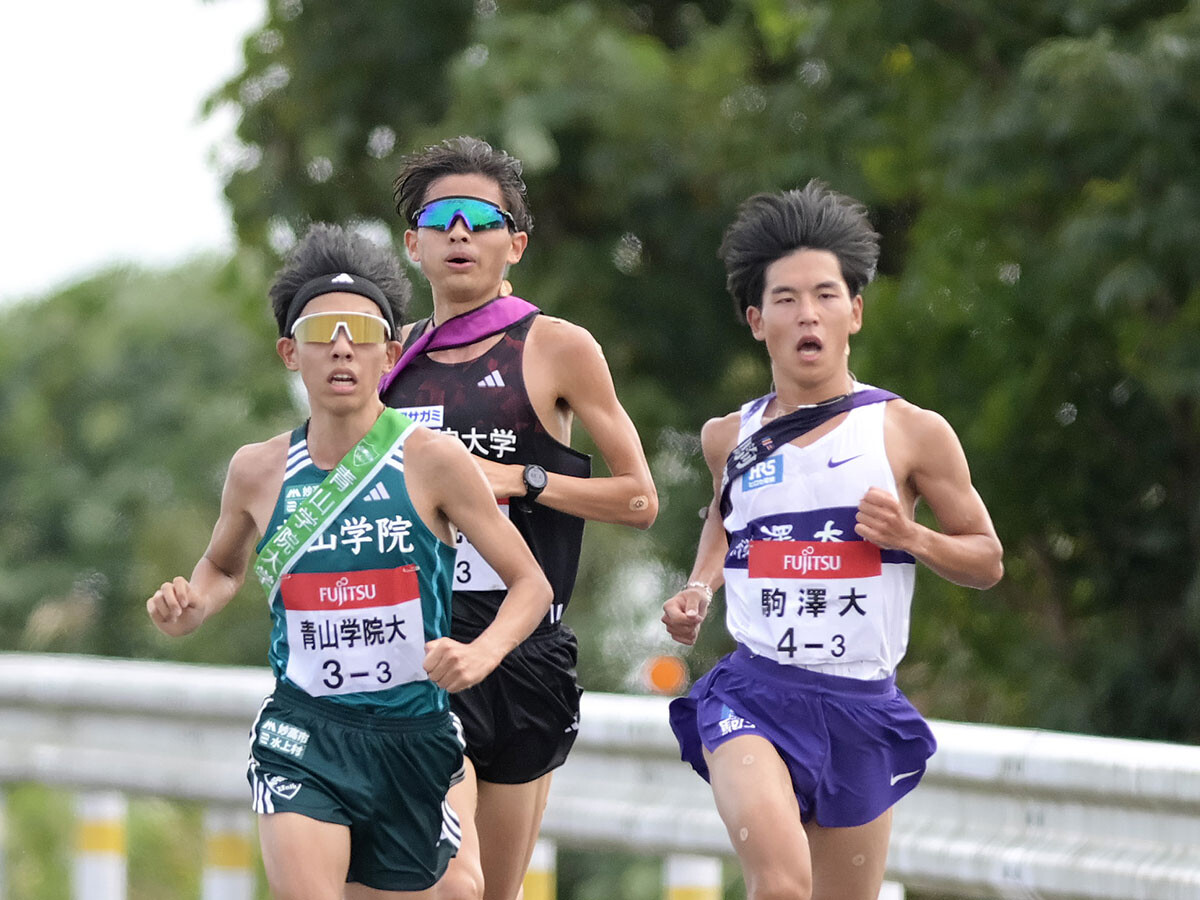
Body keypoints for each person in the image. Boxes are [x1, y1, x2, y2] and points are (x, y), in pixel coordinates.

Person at [146, 223, 552, 900]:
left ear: (389, 353)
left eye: (361, 333)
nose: (341, 348)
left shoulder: (431, 460)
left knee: (458, 891)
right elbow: (222, 568)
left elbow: (530, 585)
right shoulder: (257, 470)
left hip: (413, 732)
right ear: (289, 352)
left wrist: (481, 656)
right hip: (305, 731)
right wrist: (192, 602)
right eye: (322, 330)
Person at [662, 181, 1004, 900]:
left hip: (859, 704)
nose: (806, 313)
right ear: (758, 321)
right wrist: (700, 587)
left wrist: (912, 536)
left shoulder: (911, 431)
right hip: (754, 692)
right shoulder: (729, 437)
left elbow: (986, 560)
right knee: (782, 885)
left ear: (854, 311)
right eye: (785, 299)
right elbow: (725, 522)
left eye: (824, 295)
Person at [380, 136, 658, 900]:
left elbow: (639, 499)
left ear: (517, 244)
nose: (460, 233)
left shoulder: (556, 346)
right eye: (441, 218)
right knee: (450, 882)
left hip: (525, 648)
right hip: (425, 649)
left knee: (493, 891)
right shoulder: (389, 363)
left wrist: (519, 479)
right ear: (414, 243)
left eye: (481, 218)